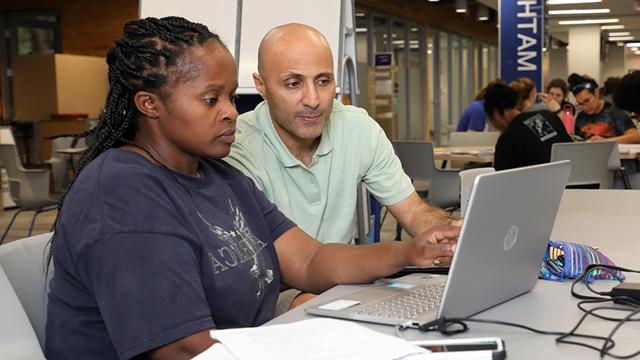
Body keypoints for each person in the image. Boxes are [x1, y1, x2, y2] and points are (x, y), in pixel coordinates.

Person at [44, 17, 459, 360]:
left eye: (229, 96)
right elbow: (183, 348)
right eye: (211, 100)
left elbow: (311, 259)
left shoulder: (218, 176)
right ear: (149, 104)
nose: (230, 113)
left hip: (256, 340)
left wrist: (409, 252)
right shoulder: (122, 193)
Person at [225, 23, 459, 247]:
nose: (313, 100)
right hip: (279, 287)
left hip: (344, 282)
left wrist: (453, 231)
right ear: (261, 85)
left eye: (323, 81)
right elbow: (257, 266)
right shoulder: (236, 148)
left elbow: (413, 211)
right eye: (293, 83)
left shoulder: (358, 127)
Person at [482, 82, 572, 171]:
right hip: (571, 180)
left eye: (491, 118)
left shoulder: (507, 139)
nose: (493, 125)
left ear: (497, 112)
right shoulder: (548, 116)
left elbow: (501, 180)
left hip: (538, 184)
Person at [569, 74, 640, 144]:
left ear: (596, 93)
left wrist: (604, 142)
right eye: (580, 104)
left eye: (587, 101)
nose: (584, 107)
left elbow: (635, 137)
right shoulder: (581, 117)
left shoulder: (615, 112)